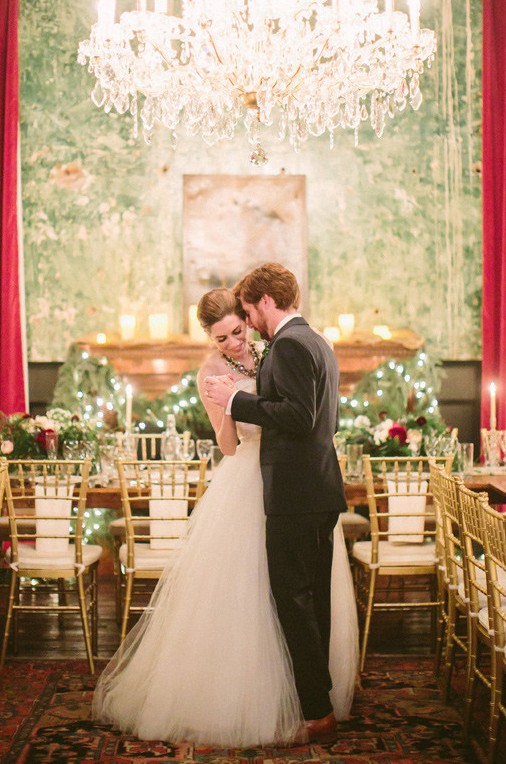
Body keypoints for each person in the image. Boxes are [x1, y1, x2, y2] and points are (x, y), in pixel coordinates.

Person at [92, 287, 358, 748]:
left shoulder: (276, 349)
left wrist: (241, 397)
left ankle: (314, 694)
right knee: (253, 594)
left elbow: (299, 412)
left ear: (249, 319)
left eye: (238, 331)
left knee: (299, 593)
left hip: (291, 484)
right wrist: (225, 409)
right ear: (209, 341)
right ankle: (268, 695)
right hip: (248, 481)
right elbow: (230, 445)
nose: (234, 343)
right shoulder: (211, 372)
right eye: (222, 339)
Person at [204, 263, 350, 740]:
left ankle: (315, 711)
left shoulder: (287, 343)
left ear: (266, 302)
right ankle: (319, 697)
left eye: (248, 312)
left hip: (295, 493)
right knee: (312, 601)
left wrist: (235, 400)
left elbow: (300, 417)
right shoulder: (316, 341)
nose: (249, 322)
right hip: (316, 488)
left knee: (293, 601)